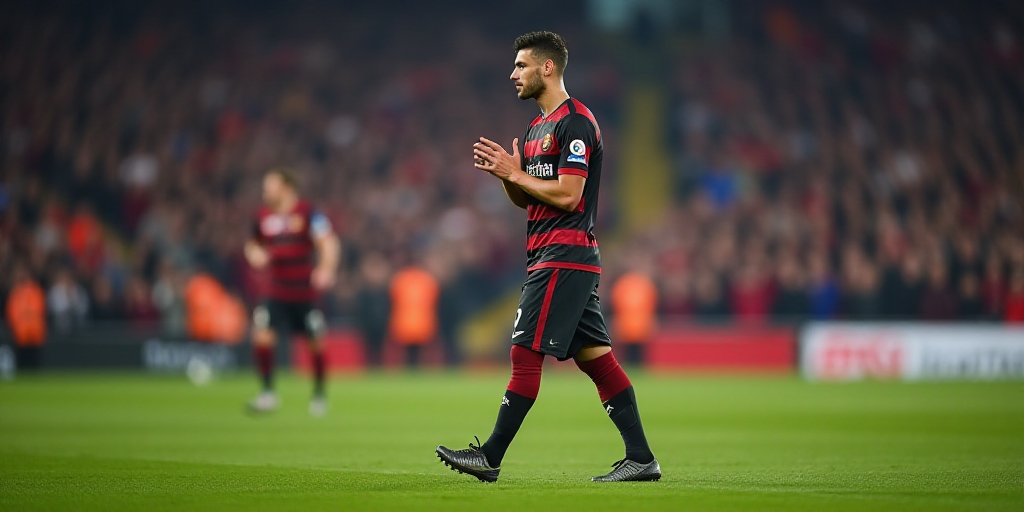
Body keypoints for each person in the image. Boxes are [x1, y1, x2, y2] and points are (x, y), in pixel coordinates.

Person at [436, 31, 660, 483]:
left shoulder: (574, 122)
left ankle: (491, 457)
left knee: (523, 352)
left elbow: (570, 195)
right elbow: (531, 201)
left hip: (564, 255)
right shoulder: (537, 127)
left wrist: (516, 172)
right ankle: (641, 458)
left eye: (520, 65)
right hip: (552, 256)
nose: (512, 73)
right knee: (597, 360)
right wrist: (509, 178)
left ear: (547, 68)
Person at [244, 168, 340, 416]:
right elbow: (253, 243)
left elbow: (328, 241)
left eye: (270, 186)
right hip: (275, 290)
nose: (265, 192)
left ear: (287, 188)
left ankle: (319, 394)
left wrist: (326, 268)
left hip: (304, 292)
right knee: (262, 334)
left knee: (316, 343)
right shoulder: (263, 216)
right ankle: (268, 393)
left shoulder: (309, 213)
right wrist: (255, 254)